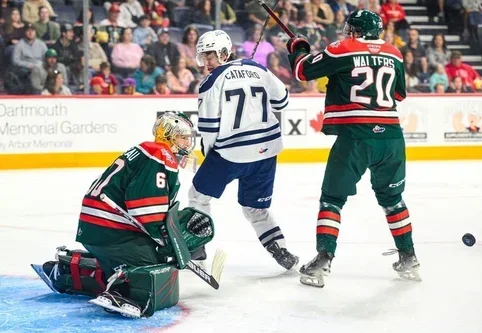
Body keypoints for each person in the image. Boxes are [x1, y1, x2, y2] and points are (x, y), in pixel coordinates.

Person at [33, 111, 215, 318]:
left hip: (98, 229)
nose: (187, 144)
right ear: (168, 137)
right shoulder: (160, 155)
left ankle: (69, 273)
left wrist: (171, 238)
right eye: (183, 138)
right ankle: (121, 292)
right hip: (112, 231)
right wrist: (167, 243)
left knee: (146, 259)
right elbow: (144, 207)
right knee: (156, 266)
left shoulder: (149, 152)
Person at [285, 9, 420, 287]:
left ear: (356, 30)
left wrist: (298, 48)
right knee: (393, 200)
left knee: (332, 199)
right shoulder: (394, 52)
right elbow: (398, 94)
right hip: (391, 138)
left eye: (350, 27)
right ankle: (409, 256)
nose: (347, 31)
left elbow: (302, 71)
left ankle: (323, 259)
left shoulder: (341, 48)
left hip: (356, 137)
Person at [188, 30, 299, 271]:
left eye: (210, 56)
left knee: (198, 196)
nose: (206, 62)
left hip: (231, 153)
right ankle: (279, 248)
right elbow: (282, 101)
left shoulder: (211, 81)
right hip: (267, 152)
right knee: (255, 208)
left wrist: (208, 156)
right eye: (203, 57)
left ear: (225, 53)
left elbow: (209, 128)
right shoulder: (258, 68)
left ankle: (196, 247)